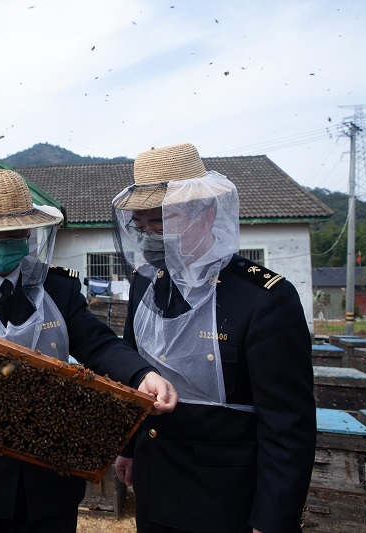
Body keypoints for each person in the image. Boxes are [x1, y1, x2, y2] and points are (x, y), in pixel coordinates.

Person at [0, 168, 177, 533]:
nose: (2, 243)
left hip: (52, 468)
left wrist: (142, 374)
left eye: (13, 234)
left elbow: (96, 342)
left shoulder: (58, 286)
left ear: (30, 233)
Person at [110, 143, 316, 533]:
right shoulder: (146, 284)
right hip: (156, 481)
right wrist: (130, 448)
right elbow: (135, 369)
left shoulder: (263, 298)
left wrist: (273, 518)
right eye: (142, 226)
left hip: (225, 495)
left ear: (204, 217)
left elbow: (288, 422)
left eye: (161, 223)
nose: (151, 237)